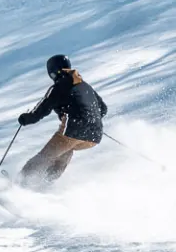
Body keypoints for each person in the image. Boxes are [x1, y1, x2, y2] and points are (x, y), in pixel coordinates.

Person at [16, 54, 108, 189]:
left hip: (73, 130)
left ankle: (17, 184)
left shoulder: (59, 87)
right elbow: (103, 109)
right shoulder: (85, 85)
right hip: (94, 136)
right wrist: (89, 119)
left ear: (52, 73)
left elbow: (42, 109)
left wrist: (26, 118)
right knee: (65, 150)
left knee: (45, 156)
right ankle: (46, 183)